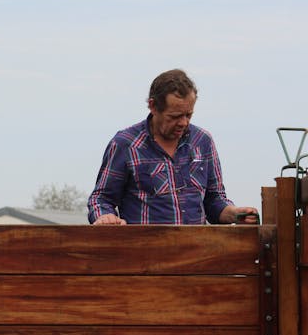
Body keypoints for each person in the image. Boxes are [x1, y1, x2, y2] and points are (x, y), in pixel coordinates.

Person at [87, 68, 258, 225]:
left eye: (188, 115)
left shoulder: (203, 141)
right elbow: (101, 199)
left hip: (198, 246)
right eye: (175, 116)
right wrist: (105, 217)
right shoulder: (126, 144)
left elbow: (214, 200)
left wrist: (235, 214)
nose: (183, 122)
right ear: (153, 106)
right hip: (145, 247)